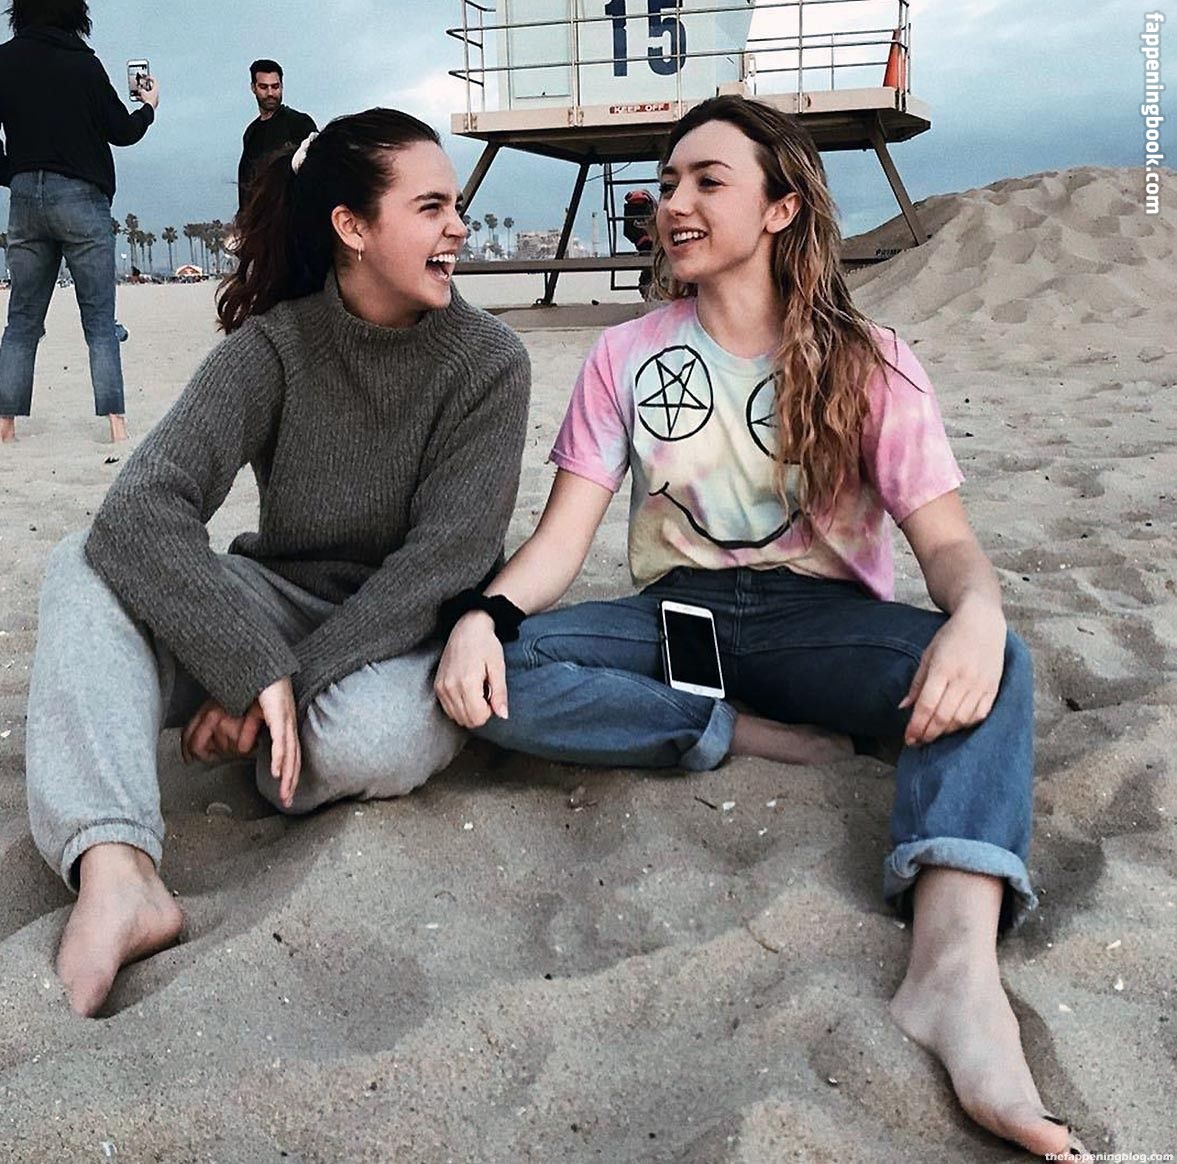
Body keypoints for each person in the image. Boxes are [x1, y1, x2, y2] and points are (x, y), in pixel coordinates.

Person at [434, 96, 1081, 1157]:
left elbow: (947, 545)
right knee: (489, 666)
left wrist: (975, 612)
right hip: (674, 621)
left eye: (706, 181)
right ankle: (730, 730)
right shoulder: (625, 355)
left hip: (818, 623)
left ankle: (953, 973)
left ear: (781, 208)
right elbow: (558, 543)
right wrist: (482, 616)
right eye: (666, 183)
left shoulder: (870, 359)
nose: (671, 203)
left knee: (994, 664)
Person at [25, 107, 530, 1017]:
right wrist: (246, 663)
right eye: (431, 207)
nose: (457, 226)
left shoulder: (490, 362)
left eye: (455, 205)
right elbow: (141, 507)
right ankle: (117, 869)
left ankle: (270, 733)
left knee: (366, 741)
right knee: (82, 564)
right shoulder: (274, 346)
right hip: (273, 601)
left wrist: (276, 685)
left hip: (403, 632)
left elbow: (442, 564)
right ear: (352, 227)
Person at [0, 0, 159, 444]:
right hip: (82, 198)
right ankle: (115, 426)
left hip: (25, 197)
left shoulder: (5, 60)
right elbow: (122, 131)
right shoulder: (84, 64)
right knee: (100, 320)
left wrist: (12, 172)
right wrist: (148, 107)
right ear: (75, 13)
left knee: (22, 320)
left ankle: (5, 425)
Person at [237, 58, 316, 216]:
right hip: (258, 221)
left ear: (282, 86)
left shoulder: (299, 123)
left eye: (275, 86)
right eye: (263, 87)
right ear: (253, 88)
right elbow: (246, 181)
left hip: (294, 218)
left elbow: (317, 171)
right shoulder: (251, 133)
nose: (270, 93)